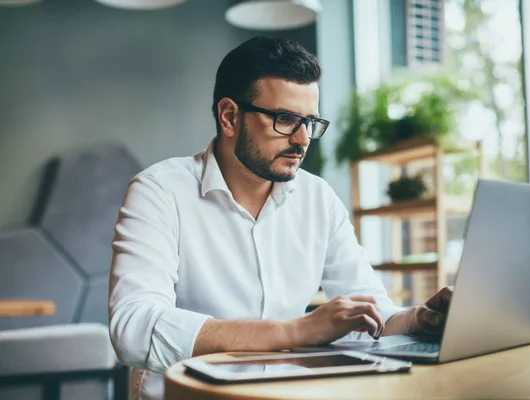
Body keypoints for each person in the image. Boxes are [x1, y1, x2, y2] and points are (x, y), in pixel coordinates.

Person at [108, 36, 453, 400]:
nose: (303, 140)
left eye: (310, 122)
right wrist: (295, 331)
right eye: (286, 119)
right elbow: (133, 329)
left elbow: (367, 312)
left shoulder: (318, 199)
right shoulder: (159, 191)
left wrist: (418, 318)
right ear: (229, 116)